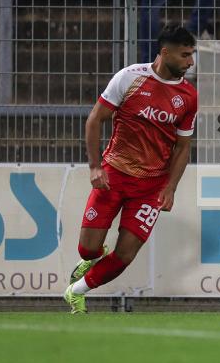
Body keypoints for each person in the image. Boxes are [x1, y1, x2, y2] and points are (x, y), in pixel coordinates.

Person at [64, 25, 198, 314]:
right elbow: (95, 119)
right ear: (165, 52)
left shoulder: (188, 96)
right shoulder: (130, 77)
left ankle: (76, 292)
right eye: (185, 55)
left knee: (125, 254)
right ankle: (91, 258)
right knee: (87, 250)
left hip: (151, 187)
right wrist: (95, 167)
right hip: (113, 176)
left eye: (192, 55)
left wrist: (170, 187)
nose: (190, 62)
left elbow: (183, 147)